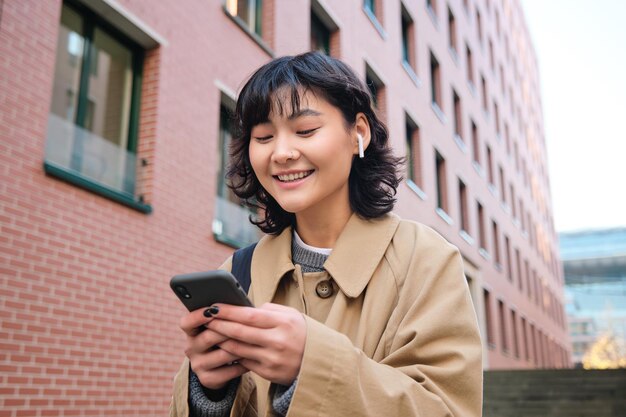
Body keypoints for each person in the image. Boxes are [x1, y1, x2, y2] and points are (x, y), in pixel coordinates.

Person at [170, 52, 482, 417]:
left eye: (305, 131)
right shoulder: (239, 269)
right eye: (264, 136)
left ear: (358, 133)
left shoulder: (425, 258)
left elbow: (448, 409)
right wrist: (209, 391)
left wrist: (311, 366)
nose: (282, 153)